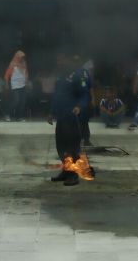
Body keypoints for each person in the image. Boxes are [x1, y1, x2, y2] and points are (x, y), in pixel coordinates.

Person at [48, 51, 89, 187]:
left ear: (68, 60)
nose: (59, 62)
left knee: (72, 147)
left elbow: (84, 94)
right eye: (58, 60)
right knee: (61, 147)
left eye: (61, 60)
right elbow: (57, 95)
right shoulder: (62, 75)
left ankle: (73, 175)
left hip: (72, 117)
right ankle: (65, 171)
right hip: (61, 116)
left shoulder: (79, 74)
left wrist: (79, 106)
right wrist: (51, 112)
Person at [73, 54, 93, 146]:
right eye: (75, 61)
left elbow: (90, 87)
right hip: (74, 101)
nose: (77, 63)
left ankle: (86, 139)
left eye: (78, 61)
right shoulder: (71, 72)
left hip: (84, 101)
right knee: (74, 121)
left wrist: (92, 99)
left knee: (84, 121)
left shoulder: (85, 72)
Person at [4, 50, 28, 122]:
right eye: (21, 57)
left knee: (22, 102)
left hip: (23, 85)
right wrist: (7, 85)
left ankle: (19, 117)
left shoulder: (24, 64)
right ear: (17, 57)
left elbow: (26, 74)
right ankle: (7, 114)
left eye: (23, 57)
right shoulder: (12, 65)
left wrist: (27, 81)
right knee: (16, 101)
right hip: (15, 86)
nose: (22, 58)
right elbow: (6, 76)